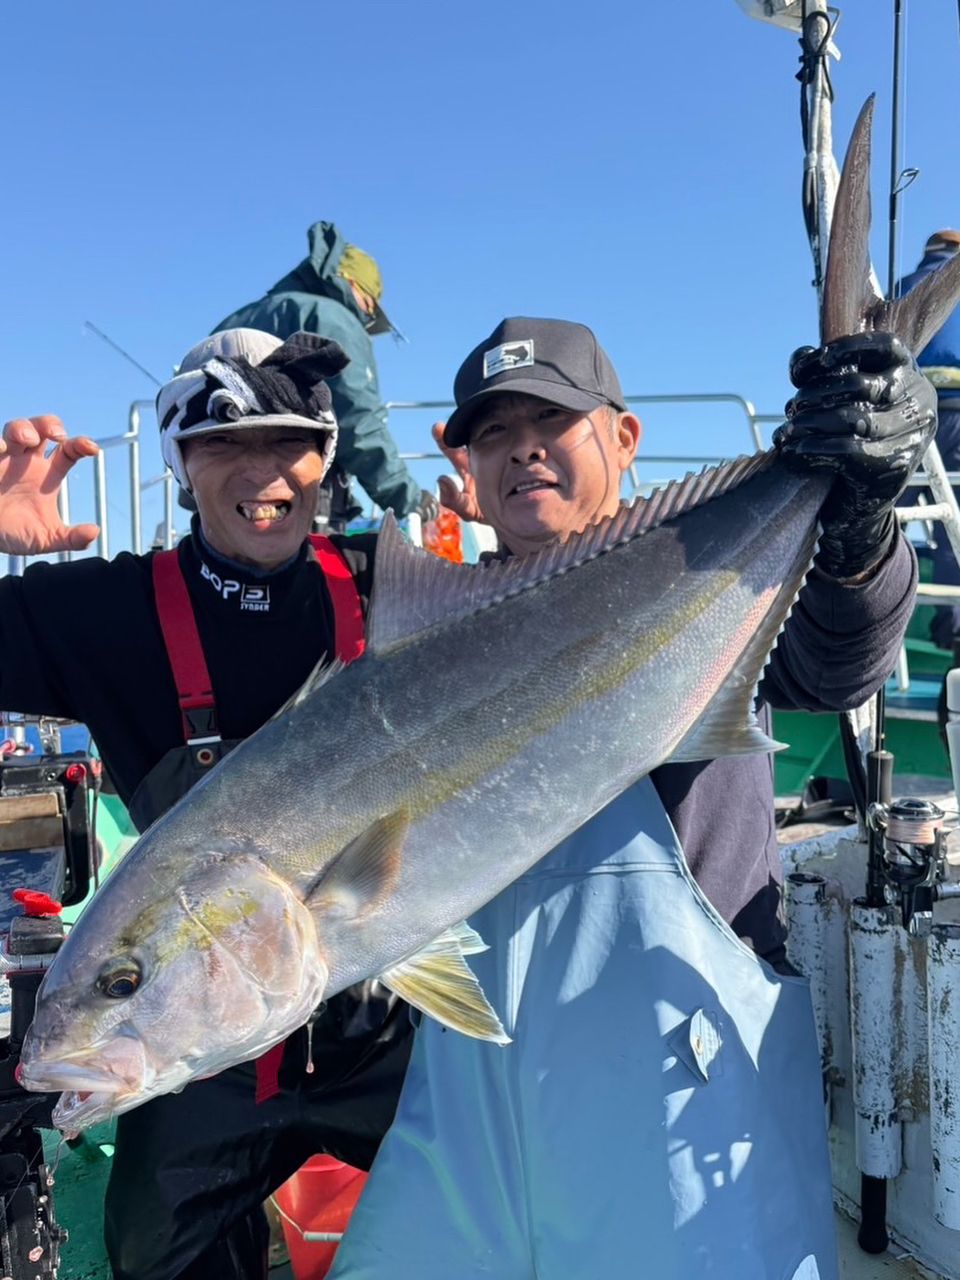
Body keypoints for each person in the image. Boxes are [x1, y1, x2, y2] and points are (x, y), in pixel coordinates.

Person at [326, 316, 933, 1280]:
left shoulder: (711, 573)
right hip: (471, 1122)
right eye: (494, 431)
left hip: (681, 1103)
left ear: (624, 437)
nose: (523, 444)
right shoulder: (421, 647)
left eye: (554, 418)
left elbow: (835, 660)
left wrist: (858, 531)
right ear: (470, 470)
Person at [0, 328, 415, 1280]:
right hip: (198, 1053)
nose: (261, 471)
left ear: (325, 459)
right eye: (225, 443)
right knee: (150, 1254)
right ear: (181, 463)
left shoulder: (400, 591)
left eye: (289, 442)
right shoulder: (102, 614)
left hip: (383, 1028)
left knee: (492, 1206)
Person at [212, 220, 437, 532]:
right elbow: (358, 421)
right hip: (293, 501)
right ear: (351, 284)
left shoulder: (237, 319)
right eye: (370, 307)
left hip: (219, 503)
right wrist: (409, 499)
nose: (368, 320)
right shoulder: (335, 320)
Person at [899, 229, 960, 648]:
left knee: (885, 523)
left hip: (904, 421)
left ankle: (866, 620)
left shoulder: (901, 287)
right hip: (957, 419)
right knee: (953, 527)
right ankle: (952, 630)